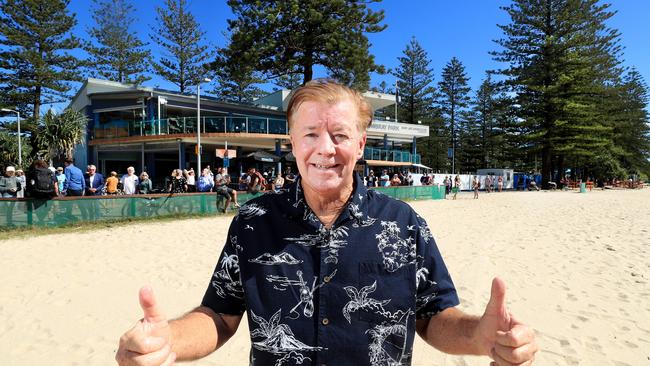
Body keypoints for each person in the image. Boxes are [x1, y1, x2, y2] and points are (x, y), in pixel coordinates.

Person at [116, 79, 537, 366]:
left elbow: (433, 317)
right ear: (293, 142)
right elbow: (220, 317)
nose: (325, 149)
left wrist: (478, 336)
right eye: (311, 134)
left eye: (339, 134)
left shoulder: (404, 223)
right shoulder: (253, 222)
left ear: (359, 143)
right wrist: (169, 341)